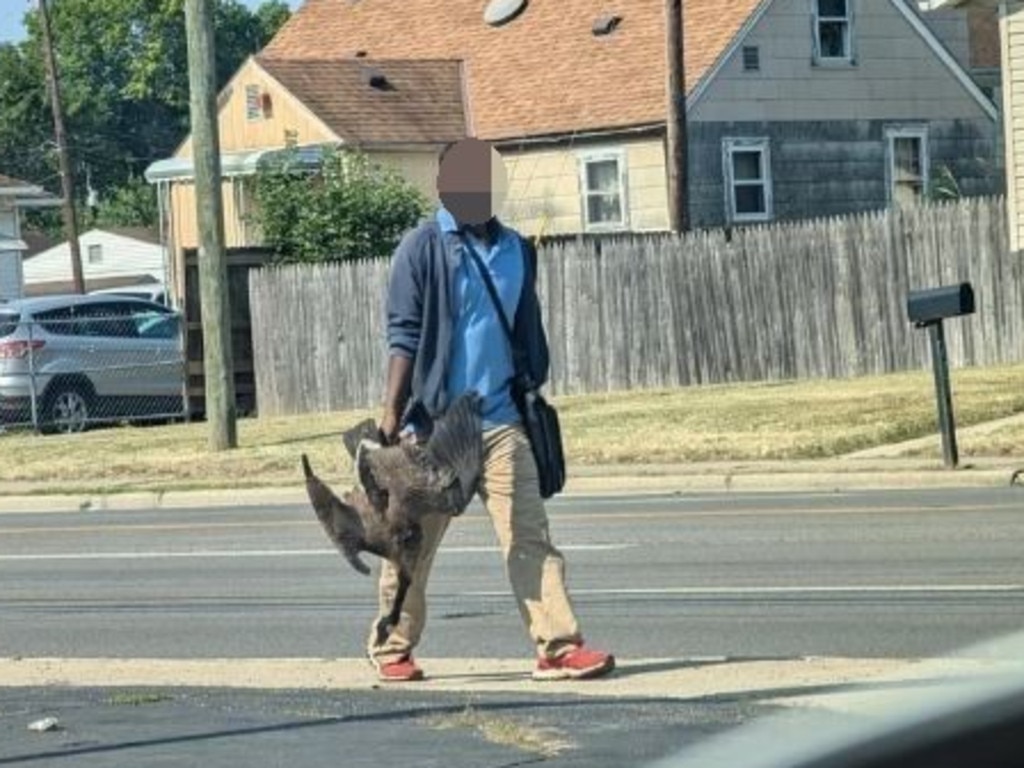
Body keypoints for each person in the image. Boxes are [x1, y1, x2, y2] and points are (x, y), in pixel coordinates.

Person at [367, 137, 615, 683]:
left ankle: (558, 647)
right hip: (435, 429)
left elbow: (526, 329)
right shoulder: (422, 247)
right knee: (412, 545)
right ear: (442, 188)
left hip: (502, 421)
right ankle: (392, 648)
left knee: (529, 536)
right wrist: (391, 413)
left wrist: (531, 386)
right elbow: (403, 334)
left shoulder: (517, 250)